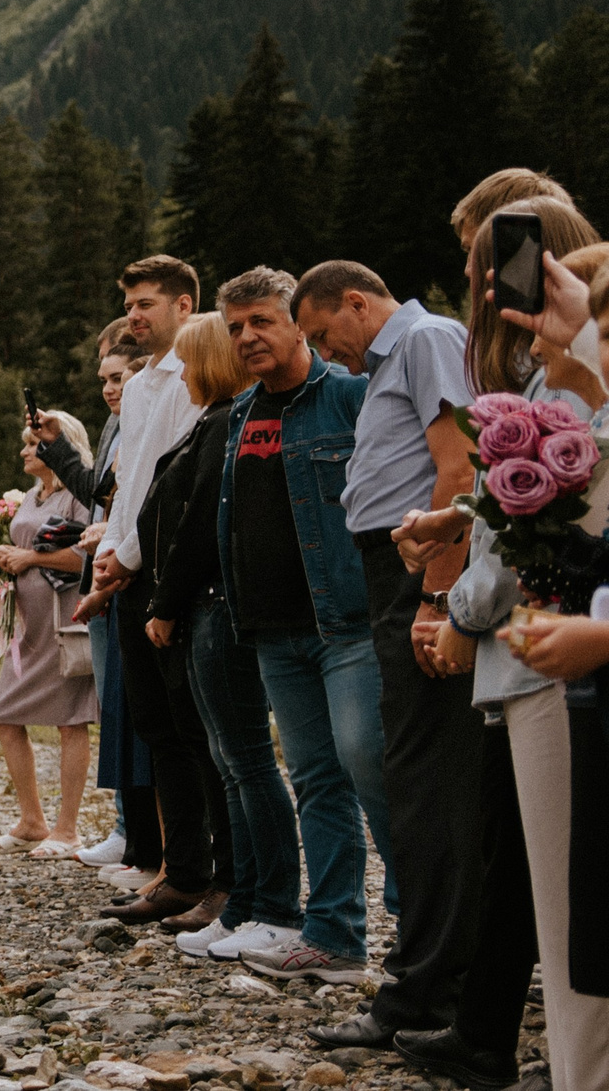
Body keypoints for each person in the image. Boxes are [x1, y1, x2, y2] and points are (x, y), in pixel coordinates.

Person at [421, 206, 609, 1089]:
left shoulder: (567, 389)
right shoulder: (556, 381)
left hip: (563, 661)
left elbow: (545, 525)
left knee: (572, 901)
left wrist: (464, 611)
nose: (488, 288)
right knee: (556, 889)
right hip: (554, 653)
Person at [290, 247, 494, 1053]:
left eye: (321, 330)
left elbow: (459, 467)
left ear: (355, 302)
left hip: (423, 574)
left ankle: (429, 986)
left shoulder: (422, 340)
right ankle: (435, 972)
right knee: (417, 776)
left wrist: (438, 599)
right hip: (397, 569)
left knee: (424, 778)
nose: (326, 349)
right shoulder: (390, 363)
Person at [210, 267, 386, 986]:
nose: (247, 338)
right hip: (272, 631)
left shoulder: (349, 394)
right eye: (235, 328)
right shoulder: (242, 412)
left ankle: (429, 938)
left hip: (345, 622)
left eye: (261, 321)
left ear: (296, 322)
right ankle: (337, 937)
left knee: (372, 768)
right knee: (315, 779)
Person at [143, 313, 302, 962]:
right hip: (204, 605)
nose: (181, 373)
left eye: (188, 360)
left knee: (242, 762)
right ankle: (243, 900)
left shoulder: (223, 425)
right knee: (231, 761)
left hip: (211, 604)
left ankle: (261, 899)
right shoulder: (215, 423)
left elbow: (199, 522)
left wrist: (164, 601)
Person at [89, 257, 219, 911]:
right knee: (157, 728)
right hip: (133, 573)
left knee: (195, 730)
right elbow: (131, 485)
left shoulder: (198, 377)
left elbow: (176, 491)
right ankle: (182, 871)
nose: (134, 317)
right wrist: (109, 558)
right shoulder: (139, 388)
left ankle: (216, 877)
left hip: (174, 572)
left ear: (184, 305)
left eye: (146, 304)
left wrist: (126, 559)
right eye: (129, 304)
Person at [40, 326, 156, 876]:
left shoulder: (148, 414)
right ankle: (126, 828)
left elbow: (125, 497)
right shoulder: (115, 421)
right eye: (103, 379)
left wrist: (107, 530)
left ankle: (141, 837)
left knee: (134, 709)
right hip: (106, 572)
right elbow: (96, 490)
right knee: (116, 708)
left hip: (127, 574)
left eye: (118, 376)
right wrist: (55, 448)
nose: (110, 389)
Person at [0, 411, 97, 858]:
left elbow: (86, 554)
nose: (25, 451)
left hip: (62, 619)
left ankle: (67, 829)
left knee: (70, 721)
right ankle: (32, 819)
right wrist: (5, 553)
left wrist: (30, 559)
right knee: (5, 716)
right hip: (27, 629)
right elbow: (26, 547)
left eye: (33, 445)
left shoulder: (76, 496)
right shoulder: (32, 496)